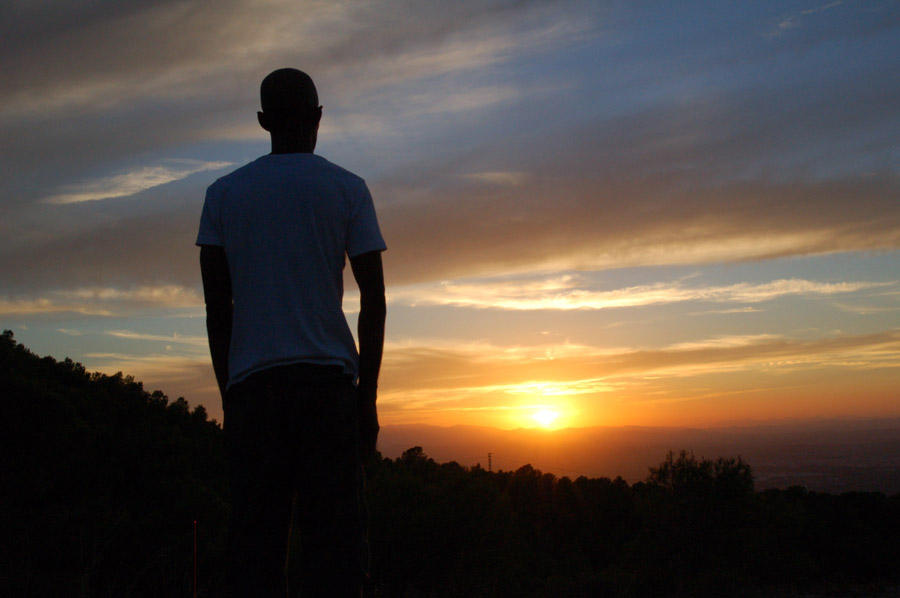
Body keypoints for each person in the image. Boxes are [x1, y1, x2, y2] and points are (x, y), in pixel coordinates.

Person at [197, 68, 386, 597]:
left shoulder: (223, 194)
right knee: (338, 558)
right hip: (328, 393)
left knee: (254, 557)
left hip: (254, 395)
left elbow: (218, 307)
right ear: (318, 117)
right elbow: (375, 298)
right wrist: (365, 401)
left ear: (262, 122)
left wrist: (229, 396)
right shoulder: (347, 188)